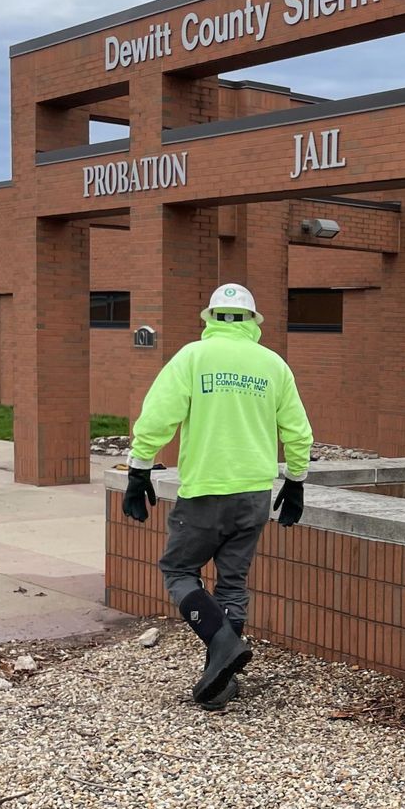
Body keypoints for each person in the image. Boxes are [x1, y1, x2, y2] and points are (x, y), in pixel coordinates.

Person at [121, 283, 313, 709]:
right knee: (232, 582)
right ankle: (219, 680)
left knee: (178, 569)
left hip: (206, 491)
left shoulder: (192, 357)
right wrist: (295, 481)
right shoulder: (272, 365)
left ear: (209, 318)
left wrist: (139, 469)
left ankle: (222, 648)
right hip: (254, 495)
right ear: (253, 322)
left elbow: (157, 417)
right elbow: (298, 432)